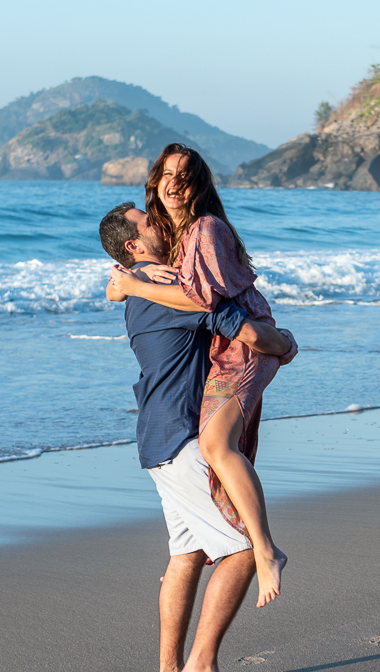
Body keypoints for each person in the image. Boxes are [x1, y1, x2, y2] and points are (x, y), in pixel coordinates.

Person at [100, 201, 296, 672]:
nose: (160, 221)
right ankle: (200, 667)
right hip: (182, 440)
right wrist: (287, 343)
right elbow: (248, 331)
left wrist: (126, 280)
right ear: (134, 246)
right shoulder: (168, 293)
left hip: (159, 438)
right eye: (149, 221)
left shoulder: (139, 285)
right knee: (242, 550)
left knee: (185, 556)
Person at [108, 143, 286, 610]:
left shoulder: (196, 236)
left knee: (190, 544)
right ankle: (182, 671)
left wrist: (129, 282)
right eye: (166, 175)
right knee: (218, 547)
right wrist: (283, 344)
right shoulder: (165, 270)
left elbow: (208, 302)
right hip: (184, 424)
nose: (172, 185)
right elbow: (208, 306)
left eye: (184, 175)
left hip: (174, 418)